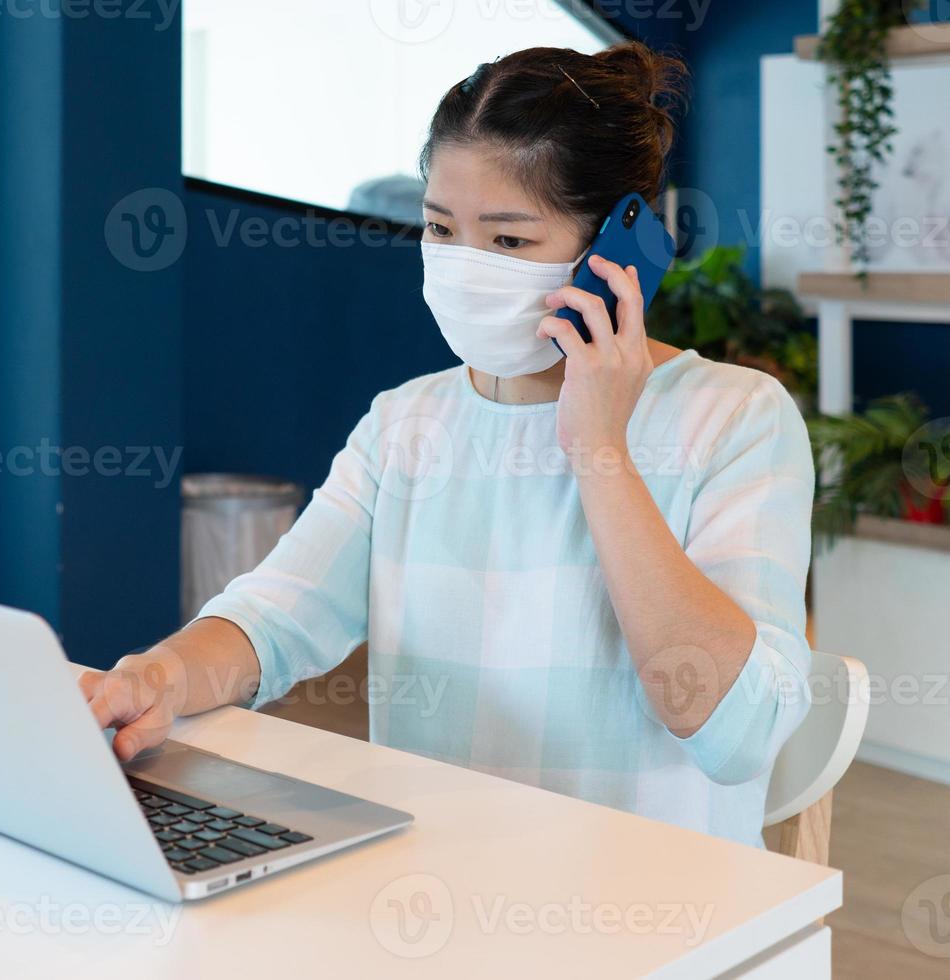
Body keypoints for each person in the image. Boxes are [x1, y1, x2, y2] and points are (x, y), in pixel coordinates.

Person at [81, 42, 814, 848]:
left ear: (618, 251)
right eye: (440, 227)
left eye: (507, 242)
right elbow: (274, 618)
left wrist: (599, 446)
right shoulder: (406, 425)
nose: (463, 267)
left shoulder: (736, 418)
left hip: (654, 923)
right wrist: (164, 674)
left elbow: (731, 731)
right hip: (436, 897)